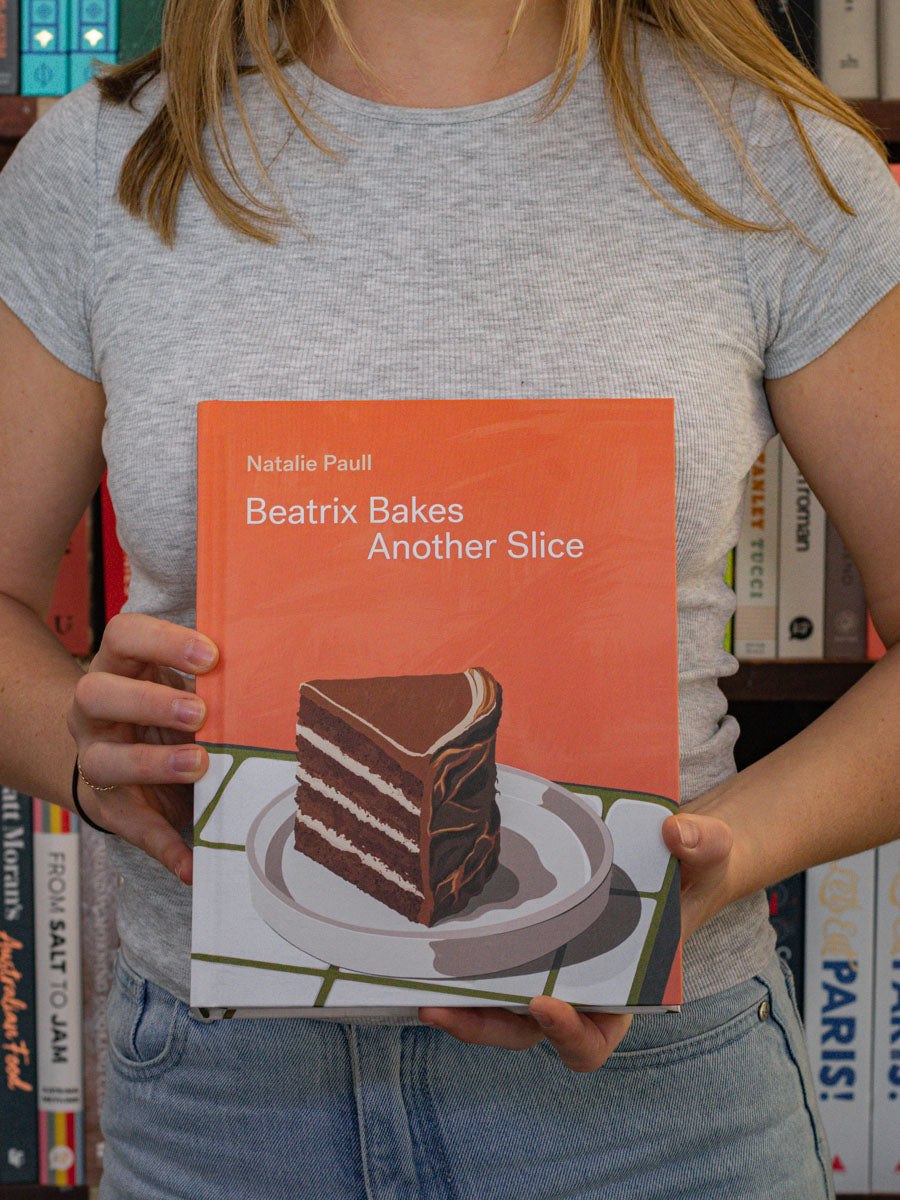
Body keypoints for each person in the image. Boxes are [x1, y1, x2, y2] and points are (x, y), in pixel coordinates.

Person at [0, 0, 898, 1195]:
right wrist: (84, 759)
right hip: (226, 1097)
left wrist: (711, 864)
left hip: (653, 1097)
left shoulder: (770, 154)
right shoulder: (104, 157)